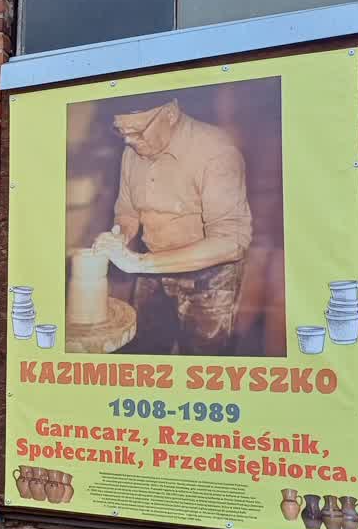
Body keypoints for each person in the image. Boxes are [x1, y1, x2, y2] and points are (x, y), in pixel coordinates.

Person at [92, 98, 253, 356]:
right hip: (152, 263)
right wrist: (119, 236)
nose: (129, 140)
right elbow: (128, 212)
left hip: (209, 274)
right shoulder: (131, 151)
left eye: (137, 131)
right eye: (121, 131)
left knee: (202, 362)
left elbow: (231, 242)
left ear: (170, 113)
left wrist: (139, 263)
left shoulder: (215, 151)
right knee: (146, 350)